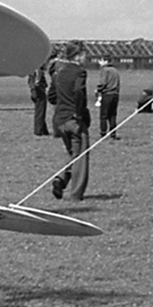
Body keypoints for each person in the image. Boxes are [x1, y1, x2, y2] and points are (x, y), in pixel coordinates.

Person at [48, 40, 90, 200]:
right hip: (74, 120)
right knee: (81, 156)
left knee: (73, 153)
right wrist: (79, 115)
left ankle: (61, 180)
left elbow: (51, 96)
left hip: (60, 120)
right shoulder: (79, 72)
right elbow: (79, 92)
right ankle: (76, 194)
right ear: (78, 55)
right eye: (84, 54)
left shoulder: (58, 71)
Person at [94, 58, 121, 137]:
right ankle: (113, 133)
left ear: (105, 61)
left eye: (101, 60)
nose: (99, 63)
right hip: (115, 94)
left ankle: (103, 132)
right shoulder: (115, 70)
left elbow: (103, 82)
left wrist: (98, 89)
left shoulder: (105, 70)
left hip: (107, 94)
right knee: (112, 115)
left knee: (103, 115)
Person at [27, 62, 49, 136]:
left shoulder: (30, 69)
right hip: (38, 89)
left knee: (40, 110)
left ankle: (43, 129)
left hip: (34, 90)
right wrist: (38, 82)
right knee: (40, 110)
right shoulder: (37, 68)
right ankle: (38, 130)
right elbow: (38, 74)